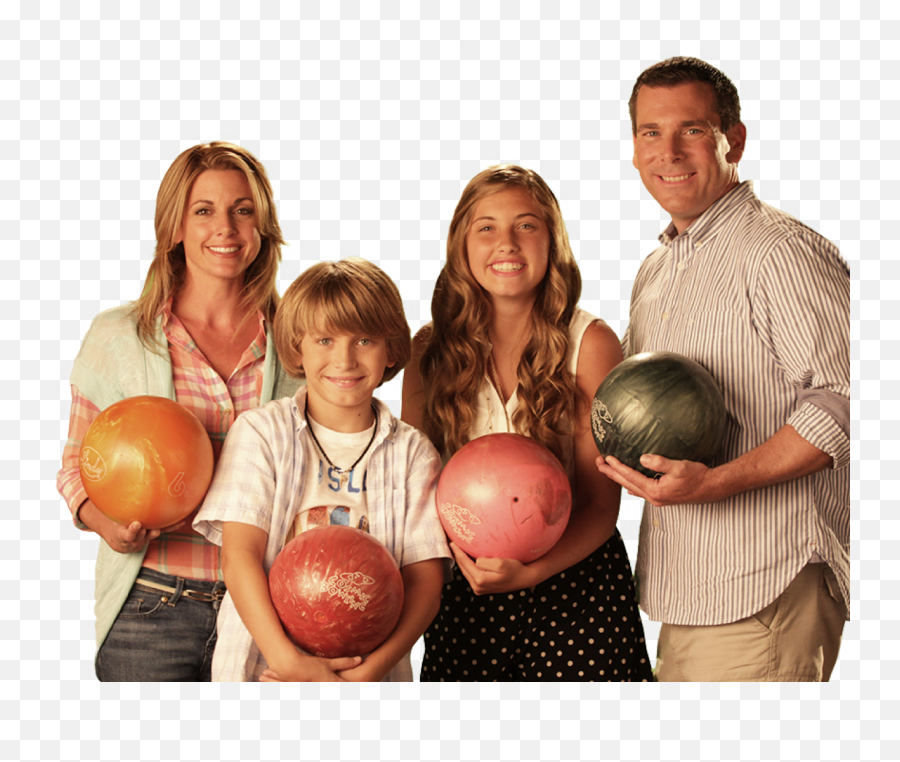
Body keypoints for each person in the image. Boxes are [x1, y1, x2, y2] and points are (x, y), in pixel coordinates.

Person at [595, 57, 850, 681]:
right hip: (691, 588)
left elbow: (847, 398)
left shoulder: (778, 252)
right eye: (651, 132)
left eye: (692, 129)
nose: (669, 150)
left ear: (732, 140)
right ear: (633, 148)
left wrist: (715, 483)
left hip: (764, 583)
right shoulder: (658, 269)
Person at [56, 141, 301, 681]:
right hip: (151, 610)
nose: (226, 229)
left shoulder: (299, 342)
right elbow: (76, 467)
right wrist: (107, 526)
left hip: (266, 613)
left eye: (243, 210)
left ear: (263, 225)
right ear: (175, 228)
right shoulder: (119, 337)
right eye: (203, 211)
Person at [402, 165, 653, 681]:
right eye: (486, 227)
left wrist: (530, 572)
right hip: (466, 588)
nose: (507, 243)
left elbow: (601, 506)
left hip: (577, 588)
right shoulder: (429, 350)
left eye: (526, 225)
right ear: (462, 245)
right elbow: (416, 491)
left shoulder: (593, 344)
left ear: (551, 239)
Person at [193, 258, 451, 682]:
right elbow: (240, 557)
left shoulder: (414, 453)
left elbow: (425, 582)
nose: (344, 359)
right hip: (264, 671)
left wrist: (372, 670)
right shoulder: (261, 433)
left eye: (364, 339)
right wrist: (288, 660)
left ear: (391, 350)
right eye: (325, 339)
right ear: (297, 347)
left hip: (369, 678)